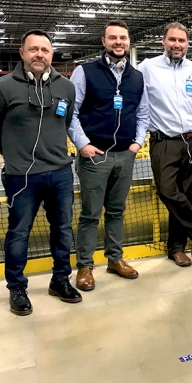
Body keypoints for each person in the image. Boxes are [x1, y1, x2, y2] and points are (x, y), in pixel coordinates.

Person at [0, 29, 82, 315]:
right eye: (34, 49)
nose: (40, 55)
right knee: (19, 233)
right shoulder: (0, 88)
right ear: (22, 53)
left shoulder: (66, 87)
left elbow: (66, 121)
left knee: (62, 230)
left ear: (52, 54)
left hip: (60, 173)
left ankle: (61, 280)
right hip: (21, 176)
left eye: (45, 50)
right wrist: (15, 155)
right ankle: (17, 288)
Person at [68, 20, 149, 291]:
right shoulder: (85, 72)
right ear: (103, 41)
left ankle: (115, 259)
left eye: (123, 38)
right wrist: (83, 144)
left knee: (117, 210)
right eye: (112, 38)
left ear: (128, 42)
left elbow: (143, 113)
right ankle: (85, 266)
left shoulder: (136, 77)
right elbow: (72, 113)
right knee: (90, 214)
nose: (118, 42)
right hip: (94, 156)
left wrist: (136, 144)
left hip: (124, 156)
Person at [137, 22, 192, 268]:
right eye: (172, 40)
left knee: (187, 195)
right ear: (163, 41)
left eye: (181, 41)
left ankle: (176, 248)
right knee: (167, 191)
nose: (177, 44)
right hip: (164, 141)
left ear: (187, 43)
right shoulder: (147, 67)